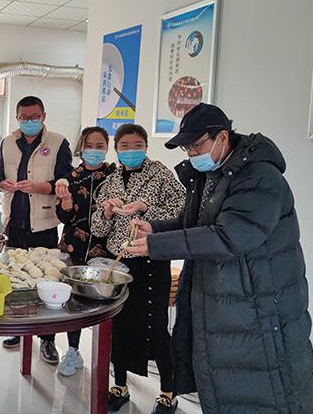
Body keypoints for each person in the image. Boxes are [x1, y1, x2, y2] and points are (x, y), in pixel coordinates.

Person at [125, 103, 313, 414]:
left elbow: (229, 236)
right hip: (226, 302)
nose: (192, 154)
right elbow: (195, 224)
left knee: (268, 392)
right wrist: (156, 229)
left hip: (259, 305)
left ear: (222, 137)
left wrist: (157, 246)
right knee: (227, 390)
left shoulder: (260, 178)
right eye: (187, 148)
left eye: (196, 145)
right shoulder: (211, 174)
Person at [91, 123, 185, 414]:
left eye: (137, 145)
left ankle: (168, 392)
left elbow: (182, 211)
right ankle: (119, 386)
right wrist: (107, 213)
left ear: (146, 146)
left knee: (156, 326)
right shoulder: (110, 181)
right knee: (119, 325)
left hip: (151, 259)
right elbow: (98, 229)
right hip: (119, 261)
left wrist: (145, 208)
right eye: (125, 146)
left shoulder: (161, 174)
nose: (131, 151)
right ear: (116, 149)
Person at [0, 95, 74, 364]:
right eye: (24, 118)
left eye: (34, 117)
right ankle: (18, 329)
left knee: (47, 280)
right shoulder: (7, 142)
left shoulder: (58, 142)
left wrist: (39, 187)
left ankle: (47, 339)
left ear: (43, 116)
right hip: (14, 222)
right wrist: (2, 184)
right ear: (17, 117)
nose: (29, 122)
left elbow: (66, 178)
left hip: (44, 223)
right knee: (16, 278)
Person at [54, 126, 116, 377]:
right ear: (81, 147)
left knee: (106, 300)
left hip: (106, 247)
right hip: (74, 246)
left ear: (107, 148)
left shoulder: (114, 176)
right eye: (89, 145)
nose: (94, 150)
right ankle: (73, 350)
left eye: (100, 146)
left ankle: (109, 355)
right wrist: (66, 204)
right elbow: (63, 217)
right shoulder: (69, 177)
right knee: (74, 299)